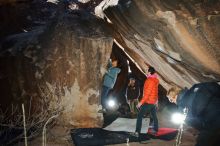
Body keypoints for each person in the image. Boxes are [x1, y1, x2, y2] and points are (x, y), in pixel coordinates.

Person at [167, 82, 220, 146]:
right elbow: (215, 87)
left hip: (213, 125)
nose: (172, 102)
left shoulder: (182, 110)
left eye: (171, 100)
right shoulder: (197, 87)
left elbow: (197, 124)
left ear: (174, 97)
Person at [135, 66, 159, 136]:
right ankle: (156, 129)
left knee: (139, 116)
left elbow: (147, 94)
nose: (145, 71)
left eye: (146, 70)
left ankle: (137, 132)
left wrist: (140, 103)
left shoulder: (149, 80)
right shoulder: (155, 80)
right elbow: (156, 92)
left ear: (149, 72)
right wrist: (157, 101)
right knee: (154, 116)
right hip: (153, 102)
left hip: (148, 102)